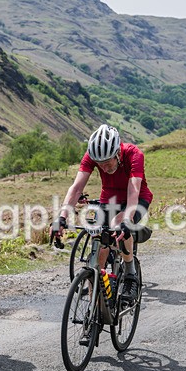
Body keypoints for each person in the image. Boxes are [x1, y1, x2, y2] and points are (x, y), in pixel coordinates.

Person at [51, 124, 153, 303]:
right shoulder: (92, 155)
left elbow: (134, 189)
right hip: (109, 198)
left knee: (117, 223)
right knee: (99, 244)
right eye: (100, 165)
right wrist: (61, 218)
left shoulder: (134, 154)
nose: (104, 169)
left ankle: (130, 274)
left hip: (136, 198)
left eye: (107, 163)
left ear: (117, 154)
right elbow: (76, 188)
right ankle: (95, 306)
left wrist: (127, 219)